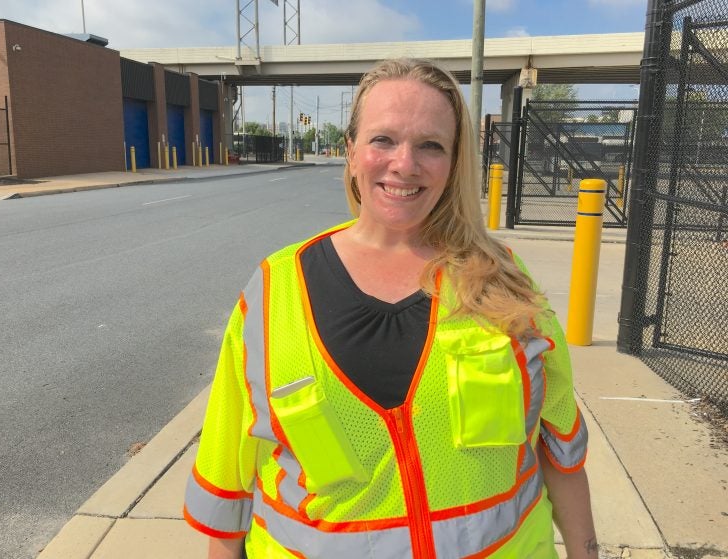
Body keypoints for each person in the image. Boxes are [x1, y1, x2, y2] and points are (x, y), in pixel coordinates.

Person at [184, 58, 598, 559]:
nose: (405, 164)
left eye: (431, 145)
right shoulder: (276, 288)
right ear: (352, 150)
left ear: (453, 162)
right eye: (383, 140)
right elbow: (230, 482)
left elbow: (561, 451)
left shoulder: (503, 280)